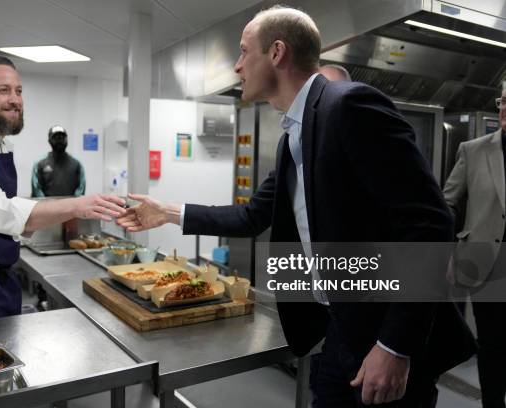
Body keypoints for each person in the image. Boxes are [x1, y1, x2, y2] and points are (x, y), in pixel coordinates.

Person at [118, 6, 475, 407]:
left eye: (242, 52)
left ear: (276, 53)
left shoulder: (348, 106)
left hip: (385, 338)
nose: (236, 66)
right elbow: (253, 215)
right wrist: (166, 213)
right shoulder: (295, 134)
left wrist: (394, 347)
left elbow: (429, 226)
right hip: (341, 331)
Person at [0, 56, 126, 325]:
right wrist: (76, 205)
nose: (15, 99)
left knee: (6, 356)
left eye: (18, 91)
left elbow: (8, 204)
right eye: (3, 90)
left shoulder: (0, 143)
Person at [442, 88, 506, 408]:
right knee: (493, 345)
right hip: (487, 263)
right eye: (504, 101)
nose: (505, 108)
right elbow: (447, 203)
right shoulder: (473, 150)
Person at [31, 125, 86, 197]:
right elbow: (37, 190)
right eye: (56, 138)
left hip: (71, 207)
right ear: (49, 141)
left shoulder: (77, 164)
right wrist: (49, 205)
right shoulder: (40, 164)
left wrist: (72, 205)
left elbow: (81, 189)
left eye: (62, 137)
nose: (60, 140)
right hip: (47, 207)